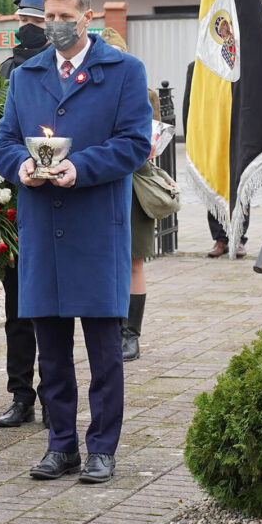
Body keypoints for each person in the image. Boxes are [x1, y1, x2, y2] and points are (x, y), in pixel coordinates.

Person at [0, 0, 151, 484]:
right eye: (48, 18)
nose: (54, 26)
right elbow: (5, 142)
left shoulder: (123, 70)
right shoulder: (26, 75)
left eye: (64, 17)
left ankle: (102, 447)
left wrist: (79, 167)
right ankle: (60, 446)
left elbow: (134, 143)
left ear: (87, 17)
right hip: (43, 227)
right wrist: (18, 167)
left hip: (95, 229)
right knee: (51, 354)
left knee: (105, 354)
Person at [0, 0, 49, 428]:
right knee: (16, 311)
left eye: (36, 22)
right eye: (24, 22)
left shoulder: (58, 72)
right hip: (12, 209)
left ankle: (54, 396)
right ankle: (20, 395)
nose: (28, 29)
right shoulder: (3, 73)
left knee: (51, 311)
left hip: (54, 206)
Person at [101, 26, 159, 362]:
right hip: (99, 184)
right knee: (104, 262)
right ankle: (110, 329)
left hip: (135, 184)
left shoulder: (146, 93)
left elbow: (155, 140)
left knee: (134, 261)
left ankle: (130, 336)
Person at [181, 59, 250, 258]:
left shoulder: (238, 66)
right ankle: (220, 239)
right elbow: (189, 103)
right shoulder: (195, 67)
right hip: (209, 136)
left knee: (238, 187)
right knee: (212, 184)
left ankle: (238, 238)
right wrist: (191, 138)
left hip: (234, 134)